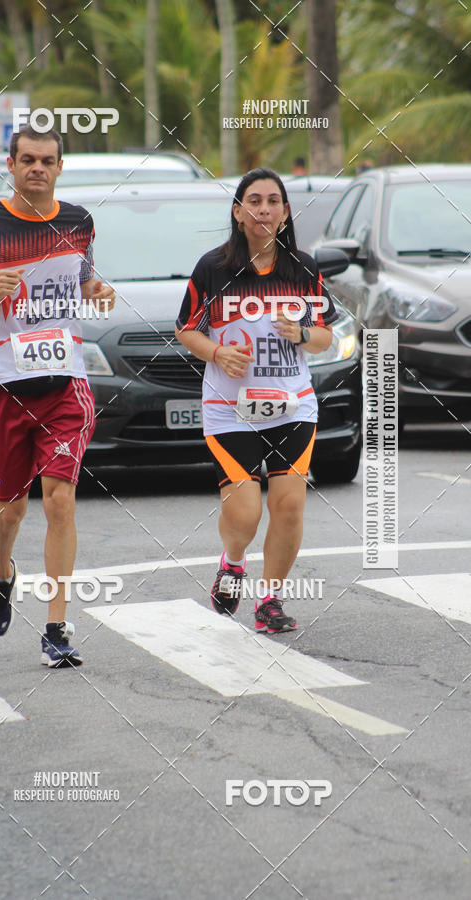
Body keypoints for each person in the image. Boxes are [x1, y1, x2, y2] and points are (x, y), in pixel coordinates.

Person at [0, 125, 115, 666]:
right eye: (27, 159)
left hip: (65, 386)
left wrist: (96, 292)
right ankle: (2, 572)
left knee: (60, 498)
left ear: (60, 167)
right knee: (8, 511)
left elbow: (79, 282)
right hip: (1, 389)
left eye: (47, 160)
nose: (37, 168)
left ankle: (57, 626)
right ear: (10, 166)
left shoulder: (77, 223)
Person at [175, 168, 338, 633]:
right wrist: (217, 352)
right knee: (245, 512)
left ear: (285, 213)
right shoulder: (214, 267)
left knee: (288, 506)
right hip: (230, 411)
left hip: (293, 406)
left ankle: (270, 600)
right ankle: (232, 561)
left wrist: (304, 333)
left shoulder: (303, 268)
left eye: (273, 201)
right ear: (238, 211)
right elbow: (186, 328)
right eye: (254, 201)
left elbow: (325, 335)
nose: (263, 209)